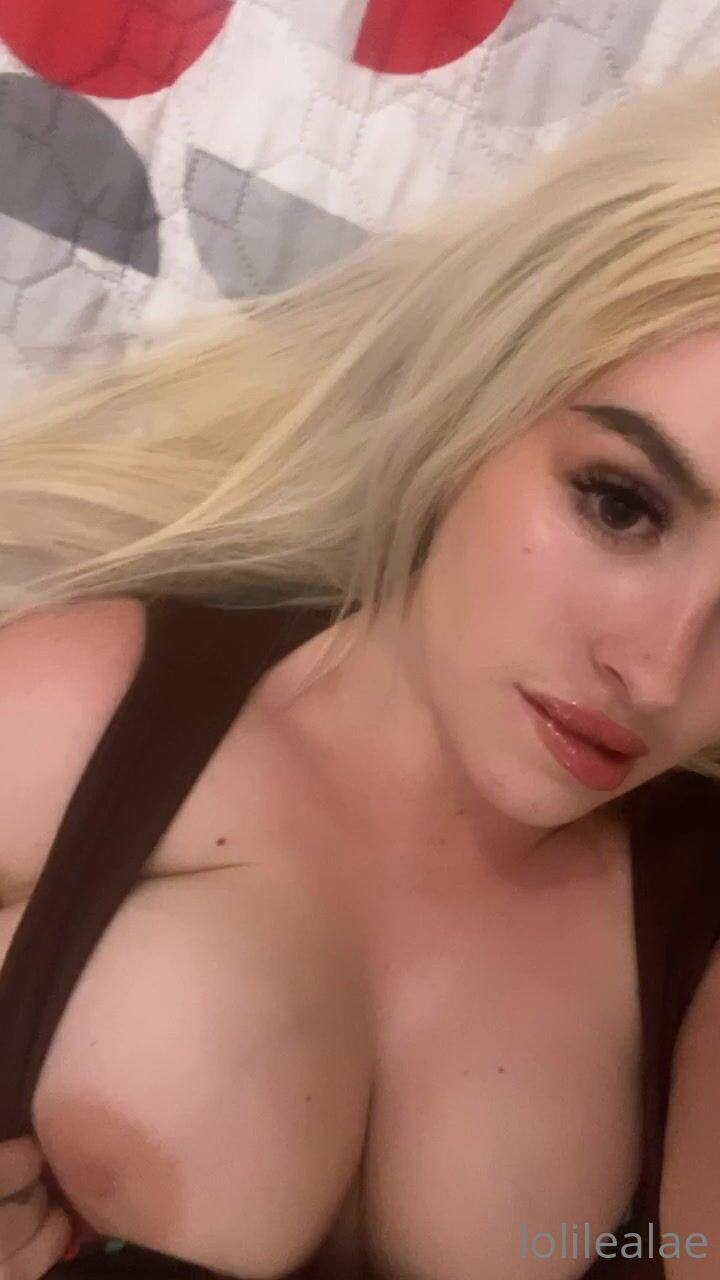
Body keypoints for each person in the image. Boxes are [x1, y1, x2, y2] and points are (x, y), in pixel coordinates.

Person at [1, 67, 720, 1280]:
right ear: (483, 400)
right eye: (620, 504)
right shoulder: (75, 712)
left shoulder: (700, 927)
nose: (656, 671)